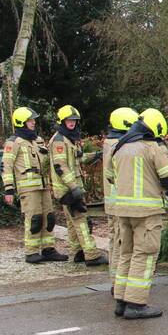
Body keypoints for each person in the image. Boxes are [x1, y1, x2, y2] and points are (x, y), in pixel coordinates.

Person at [108, 108, 168, 319]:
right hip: (146, 212)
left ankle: (121, 301)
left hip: (123, 211)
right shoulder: (152, 147)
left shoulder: (120, 147)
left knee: (126, 253)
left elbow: (111, 177)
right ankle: (136, 304)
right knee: (144, 255)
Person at [1, 107, 67, 263]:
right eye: (30, 120)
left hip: (44, 186)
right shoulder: (13, 142)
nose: (33, 122)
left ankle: (48, 249)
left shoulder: (37, 140)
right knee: (34, 219)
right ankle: (31, 252)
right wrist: (8, 189)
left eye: (33, 120)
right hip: (28, 188)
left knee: (49, 218)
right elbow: (6, 166)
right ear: (21, 122)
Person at [49, 105, 107, 266]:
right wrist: (74, 187)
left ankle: (77, 252)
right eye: (69, 120)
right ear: (62, 121)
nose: (72, 123)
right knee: (81, 220)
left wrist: (95, 155)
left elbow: (77, 159)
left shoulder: (69, 138)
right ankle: (92, 255)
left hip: (71, 187)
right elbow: (60, 166)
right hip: (68, 189)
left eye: (74, 120)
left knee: (72, 222)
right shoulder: (59, 141)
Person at [103, 108, 139, 290]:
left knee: (115, 241)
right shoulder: (117, 144)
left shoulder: (111, 142)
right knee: (120, 243)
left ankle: (116, 281)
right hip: (118, 204)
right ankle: (117, 283)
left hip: (113, 203)